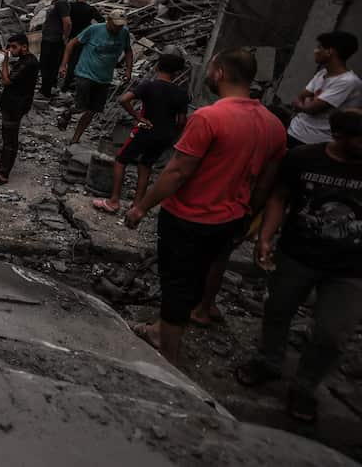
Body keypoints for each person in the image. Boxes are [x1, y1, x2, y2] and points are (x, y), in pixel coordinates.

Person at [124, 48, 287, 366]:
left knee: (175, 282)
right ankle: (160, 328)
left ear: (221, 73)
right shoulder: (273, 125)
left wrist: (141, 207)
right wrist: (247, 216)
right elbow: (267, 183)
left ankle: (167, 352)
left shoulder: (210, 117)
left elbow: (177, 171)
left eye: (212, 69)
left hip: (189, 216)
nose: (210, 74)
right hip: (230, 219)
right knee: (196, 278)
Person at [234, 108, 362, 424]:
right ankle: (268, 360)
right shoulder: (304, 159)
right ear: (339, 136)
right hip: (297, 253)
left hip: (351, 268)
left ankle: (305, 386)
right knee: (277, 309)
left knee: (332, 333)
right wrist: (265, 236)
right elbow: (280, 197)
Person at [94, 54, 189, 215]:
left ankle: (114, 201)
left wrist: (137, 116)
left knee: (120, 160)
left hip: (145, 129)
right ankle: (137, 206)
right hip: (164, 135)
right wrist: (172, 134)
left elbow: (124, 99)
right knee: (145, 166)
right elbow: (181, 121)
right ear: (176, 72)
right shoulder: (181, 93)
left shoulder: (148, 85)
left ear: (158, 66)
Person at [59, 9, 134, 145]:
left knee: (93, 110)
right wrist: (64, 65)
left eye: (121, 25)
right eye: (116, 24)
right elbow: (71, 44)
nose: (118, 28)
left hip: (105, 78)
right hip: (85, 73)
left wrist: (128, 70)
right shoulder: (94, 29)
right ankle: (69, 112)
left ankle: (75, 139)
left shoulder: (124, 33)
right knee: (81, 107)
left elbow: (128, 50)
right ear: (108, 20)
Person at [286, 31, 362, 147]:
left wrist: (305, 104)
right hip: (295, 130)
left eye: (319, 47)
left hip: (314, 142)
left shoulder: (348, 81)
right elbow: (300, 96)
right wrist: (305, 105)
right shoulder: (322, 73)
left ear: (329, 51)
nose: (315, 51)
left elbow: (312, 108)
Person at [0, 33, 40, 185]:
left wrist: (5, 62)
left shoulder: (28, 63)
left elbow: (6, 81)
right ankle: (0, 166)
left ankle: (3, 174)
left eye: (14, 47)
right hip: (13, 104)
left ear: (24, 47)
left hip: (15, 106)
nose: (11, 50)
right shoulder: (25, 61)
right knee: (7, 138)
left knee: (9, 141)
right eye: (10, 47)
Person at [62, 0, 100, 92]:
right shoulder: (91, 9)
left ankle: (65, 86)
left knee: (70, 63)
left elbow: (65, 21)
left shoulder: (71, 7)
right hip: (84, 39)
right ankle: (80, 87)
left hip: (71, 38)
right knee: (82, 63)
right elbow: (102, 21)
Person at [37, 0, 72, 99]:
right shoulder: (55, 2)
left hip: (54, 40)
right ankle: (49, 88)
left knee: (49, 66)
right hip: (48, 38)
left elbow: (67, 22)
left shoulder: (62, 2)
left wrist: (64, 37)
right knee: (45, 65)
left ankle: (45, 92)